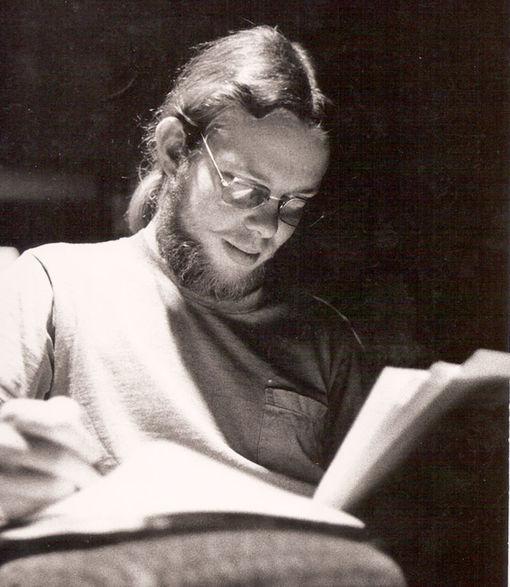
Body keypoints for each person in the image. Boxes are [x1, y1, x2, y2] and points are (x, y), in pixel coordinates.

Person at [0, 26, 367, 524]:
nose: (268, 227)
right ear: (175, 151)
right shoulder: (54, 284)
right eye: (246, 188)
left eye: (294, 203)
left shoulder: (324, 343)